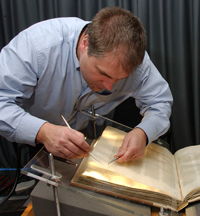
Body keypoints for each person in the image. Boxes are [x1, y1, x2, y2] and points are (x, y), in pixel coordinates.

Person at [0, 7, 173, 163]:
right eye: (103, 74)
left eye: (119, 79)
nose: (109, 87)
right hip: (39, 139)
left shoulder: (138, 64)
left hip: (91, 145)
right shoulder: (37, 47)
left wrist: (143, 133)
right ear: (85, 44)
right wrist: (43, 132)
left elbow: (160, 103)